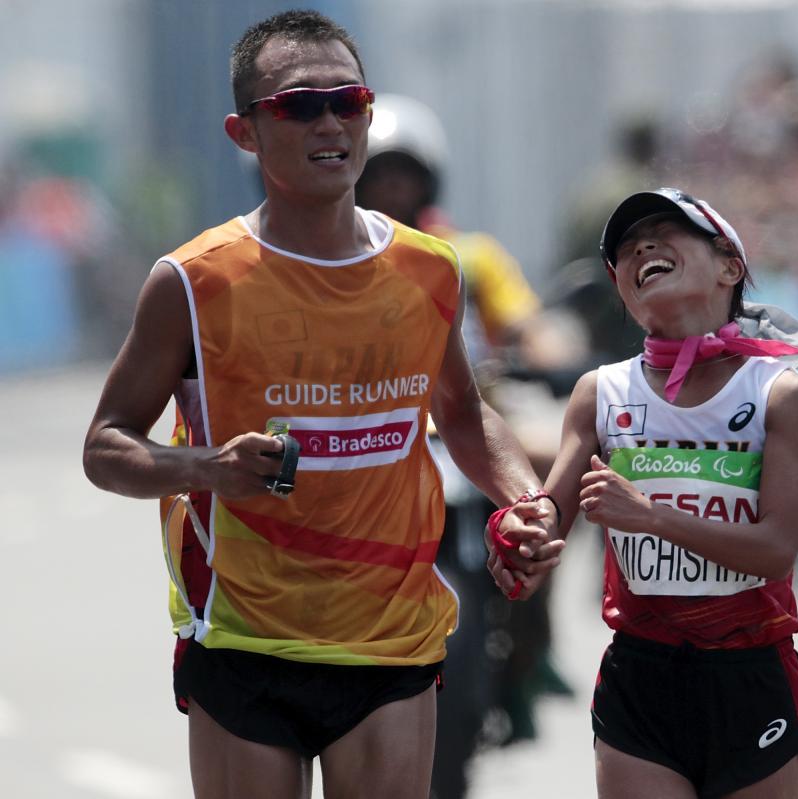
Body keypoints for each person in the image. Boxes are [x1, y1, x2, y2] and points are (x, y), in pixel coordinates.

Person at [81, 10, 560, 799]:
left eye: (349, 100)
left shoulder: (429, 268)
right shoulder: (194, 281)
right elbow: (105, 445)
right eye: (300, 106)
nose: (331, 121)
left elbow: (466, 416)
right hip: (244, 635)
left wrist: (526, 500)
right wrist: (207, 468)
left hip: (390, 636)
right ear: (245, 132)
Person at [489, 188, 798, 798]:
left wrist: (650, 515)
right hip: (642, 674)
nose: (642, 248)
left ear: (729, 267)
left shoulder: (782, 395)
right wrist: (515, 539)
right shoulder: (600, 392)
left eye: (664, 232)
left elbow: (775, 551)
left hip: (751, 676)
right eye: (626, 249)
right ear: (625, 294)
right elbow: (546, 519)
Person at [355, 93, 575, 796]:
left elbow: (533, 325)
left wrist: (553, 352)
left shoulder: (468, 258)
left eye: (405, 176)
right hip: (373, 441)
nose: (392, 190)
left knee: (564, 479)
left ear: (430, 181)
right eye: (380, 176)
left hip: (465, 427)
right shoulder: (334, 261)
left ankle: (533, 638)